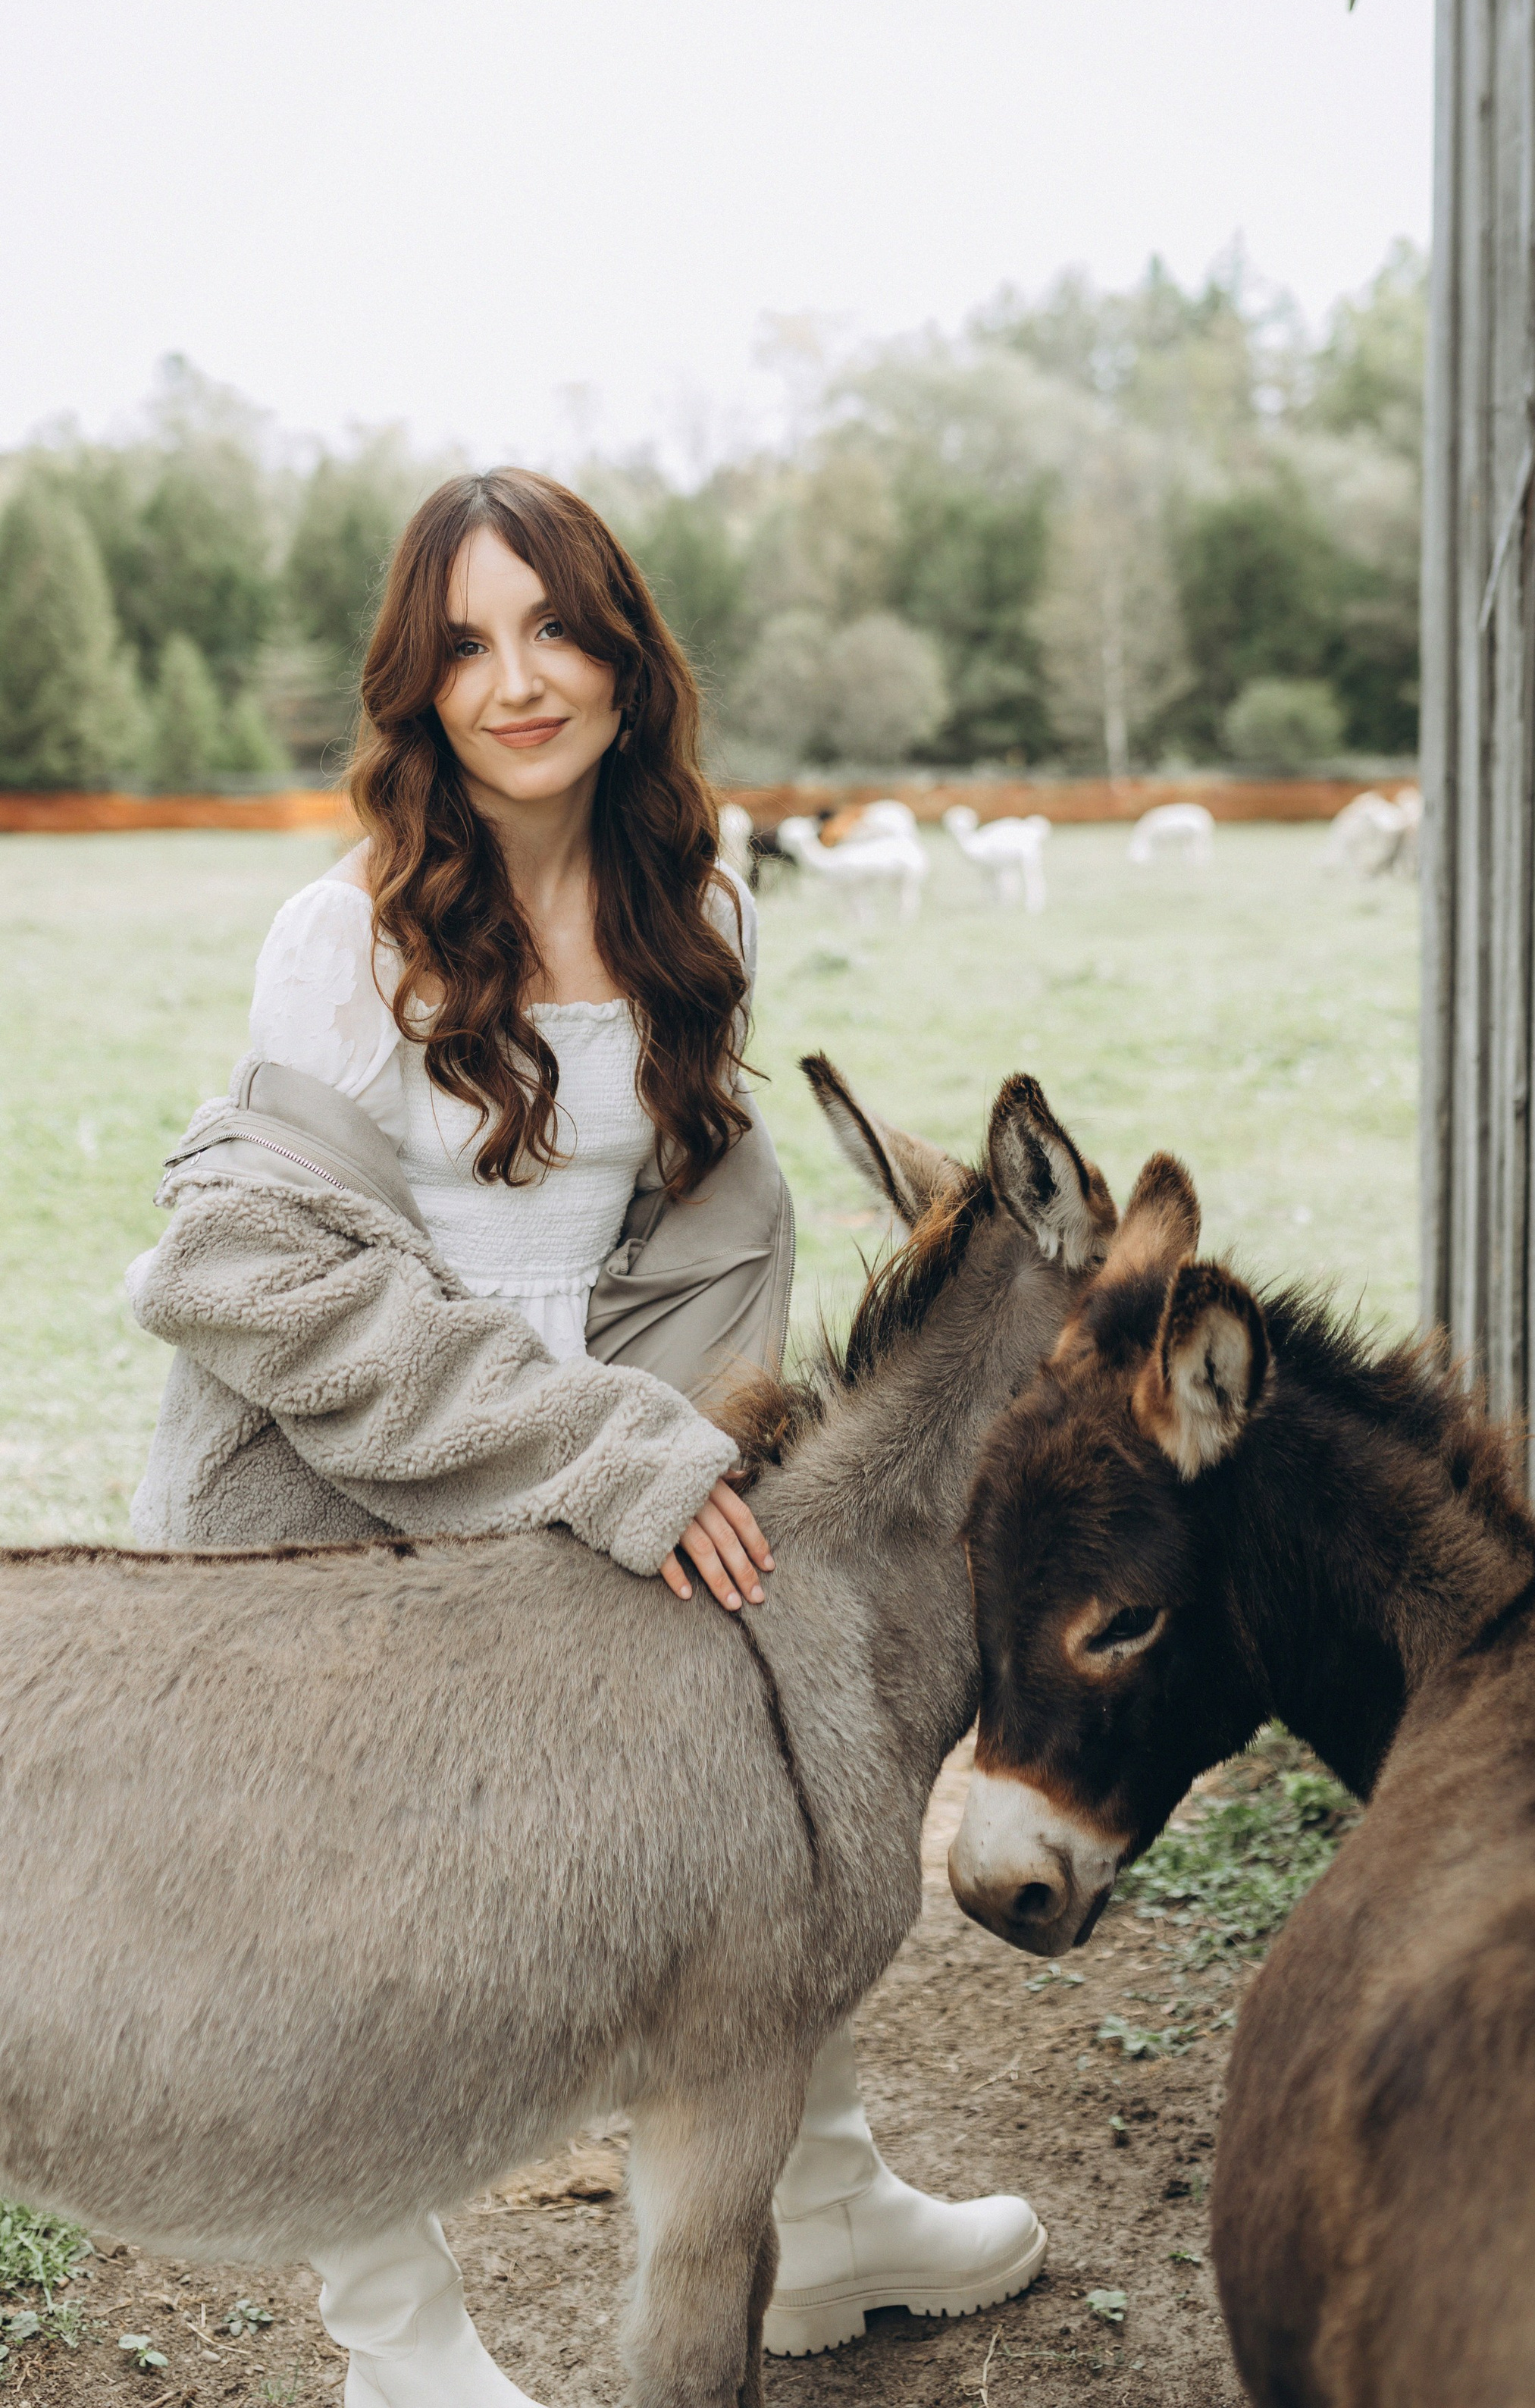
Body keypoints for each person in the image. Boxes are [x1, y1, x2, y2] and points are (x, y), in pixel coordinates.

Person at [127, 469, 1044, 2406]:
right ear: (415, 683)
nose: (515, 679)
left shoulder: (696, 896)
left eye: (553, 626)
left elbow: (705, 1218)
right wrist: (603, 1459)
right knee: (355, 1913)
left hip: (618, 1443)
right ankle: (401, 2345)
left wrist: (697, 1455)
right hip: (365, 1457)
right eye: (463, 642)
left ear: (626, 654)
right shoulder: (344, 933)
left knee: (771, 1776)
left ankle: (828, 2199)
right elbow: (270, 1286)